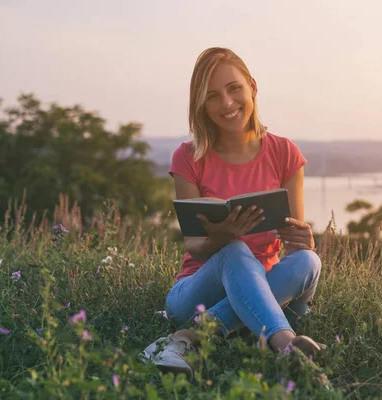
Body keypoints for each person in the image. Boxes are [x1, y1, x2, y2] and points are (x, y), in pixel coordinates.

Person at [141, 47, 323, 376]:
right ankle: (285, 345)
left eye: (234, 88)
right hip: (195, 294)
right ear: (201, 105)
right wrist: (220, 239)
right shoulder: (188, 157)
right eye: (212, 96)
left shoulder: (284, 153)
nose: (226, 103)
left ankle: (185, 339)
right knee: (235, 249)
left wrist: (302, 240)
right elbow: (193, 245)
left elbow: (293, 245)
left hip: (263, 289)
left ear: (252, 85)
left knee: (309, 261)